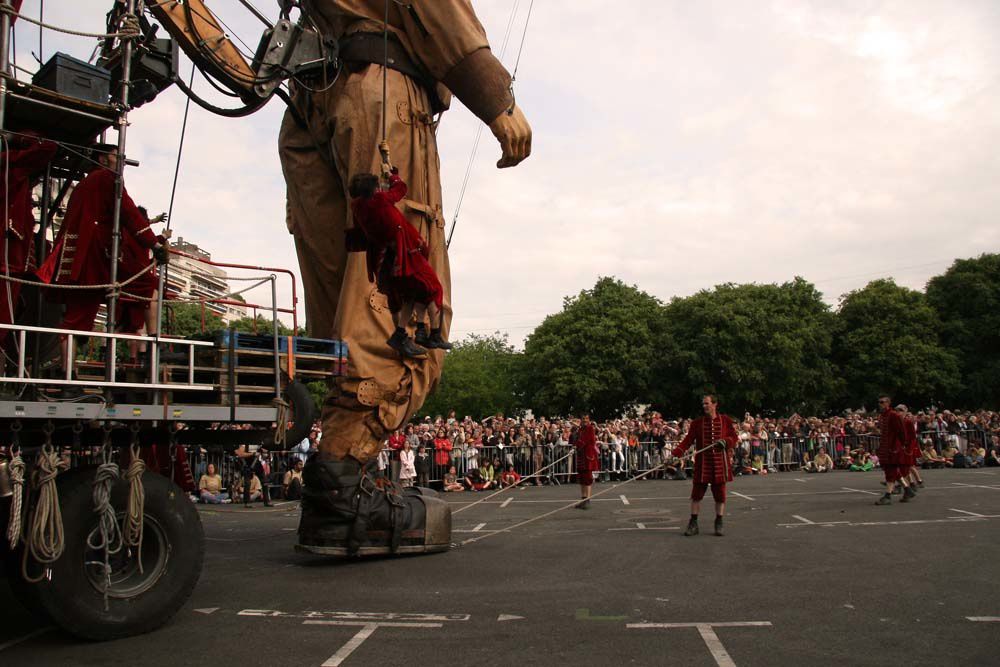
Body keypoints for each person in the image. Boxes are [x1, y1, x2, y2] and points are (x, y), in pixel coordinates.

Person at [284, 2, 532, 554]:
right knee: (402, 297)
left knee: (340, 299)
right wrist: (496, 99)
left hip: (307, 103)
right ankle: (340, 493)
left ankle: (341, 478)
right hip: (380, 92)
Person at [44, 144, 169, 341]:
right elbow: (129, 214)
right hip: (97, 254)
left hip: (76, 259)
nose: (121, 160)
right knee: (150, 284)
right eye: (115, 155)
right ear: (102, 159)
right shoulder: (108, 178)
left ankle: (67, 370)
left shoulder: (83, 186)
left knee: (76, 318)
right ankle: (154, 342)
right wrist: (155, 244)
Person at [346, 164, 448, 358]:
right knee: (434, 289)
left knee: (411, 294)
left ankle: (408, 332)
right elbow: (400, 190)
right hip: (406, 255)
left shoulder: (357, 208)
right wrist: (393, 177)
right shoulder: (380, 200)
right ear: (374, 190)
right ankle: (433, 335)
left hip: (387, 259)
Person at [0, 131, 57, 343]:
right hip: (7, 258)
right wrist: (18, 138)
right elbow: (48, 146)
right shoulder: (9, 166)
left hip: (12, 259)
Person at [672, 395, 738, 537]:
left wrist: (726, 441)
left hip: (720, 463)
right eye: (703, 404)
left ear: (715, 404)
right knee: (696, 494)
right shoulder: (697, 423)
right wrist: (676, 453)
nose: (704, 406)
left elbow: (734, 437)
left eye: (707, 404)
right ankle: (693, 523)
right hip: (703, 463)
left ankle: (719, 521)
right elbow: (688, 440)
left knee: (720, 495)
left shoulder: (725, 420)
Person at [875, 395, 916, 505]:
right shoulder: (883, 416)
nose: (880, 404)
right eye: (879, 402)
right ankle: (907, 489)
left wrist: (902, 445)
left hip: (893, 448)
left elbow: (901, 432)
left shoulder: (893, 415)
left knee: (891, 470)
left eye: (882, 402)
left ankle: (888, 495)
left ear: (888, 403)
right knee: (891, 470)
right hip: (885, 447)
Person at [574, 414, 599, 509]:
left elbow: (584, 440)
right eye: (583, 418)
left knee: (588, 478)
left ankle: (587, 499)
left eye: (586, 419)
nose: (584, 420)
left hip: (588, 456)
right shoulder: (581, 429)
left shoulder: (589, 428)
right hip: (581, 455)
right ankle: (583, 498)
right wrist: (574, 446)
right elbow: (577, 439)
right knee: (581, 478)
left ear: (589, 420)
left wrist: (576, 446)